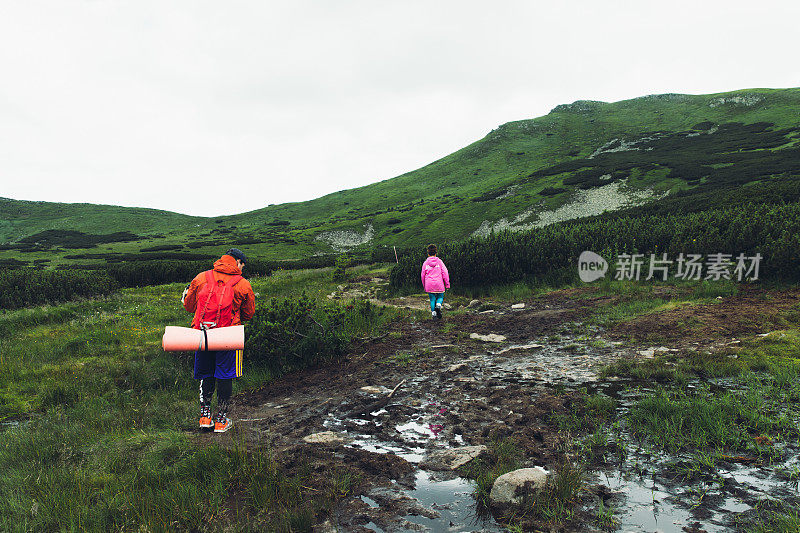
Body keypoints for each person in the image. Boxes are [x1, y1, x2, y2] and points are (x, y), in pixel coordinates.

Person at [182, 248, 255, 433]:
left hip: (203, 335)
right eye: (243, 264)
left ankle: (205, 418)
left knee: (206, 374)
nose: (243, 268)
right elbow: (248, 314)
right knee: (225, 376)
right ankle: (221, 421)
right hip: (228, 337)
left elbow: (189, 307)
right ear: (238, 262)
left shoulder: (201, 277)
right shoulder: (243, 284)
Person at [421, 244, 450, 319]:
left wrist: (424, 285)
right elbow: (445, 273)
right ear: (435, 253)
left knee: (432, 299)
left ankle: (434, 314)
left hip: (429, 284)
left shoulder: (425, 263)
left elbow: (422, 275)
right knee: (440, 297)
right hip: (439, 283)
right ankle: (438, 306)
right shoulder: (440, 262)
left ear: (428, 253)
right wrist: (447, 284)